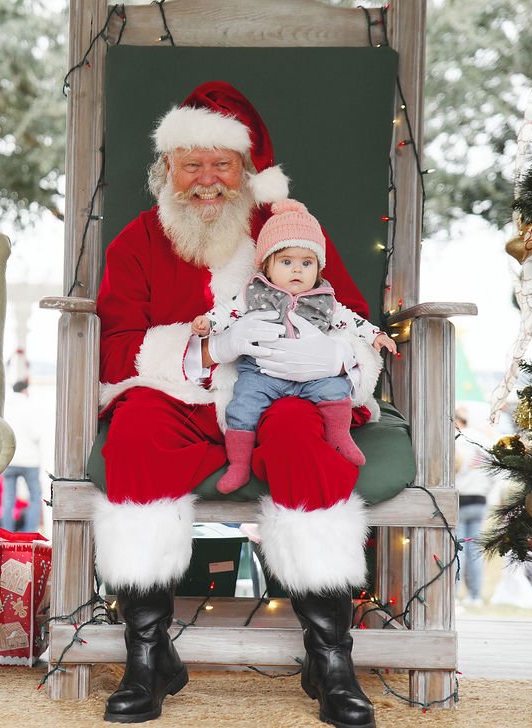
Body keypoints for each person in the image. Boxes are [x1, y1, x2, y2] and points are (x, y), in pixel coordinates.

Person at [95, 82, 383, 727]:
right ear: (165, 168)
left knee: (300, 434)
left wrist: (331, 357)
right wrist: (203, 348)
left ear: (248, 171)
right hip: (184, 394)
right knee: (136, 429)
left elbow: (353, 317)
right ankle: (148, 656)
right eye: (190, 162)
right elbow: (116, 350)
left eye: (221, 164)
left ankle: (329, 656)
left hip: (285, 390)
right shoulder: (137, 241)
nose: (206, 180)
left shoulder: (290, 231)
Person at [191, 199, 396, 493]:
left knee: (336, 391)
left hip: (314, 372)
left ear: (319, 267)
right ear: (268, 266)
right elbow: (227, 311)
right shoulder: (254, 293)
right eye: (286, 262)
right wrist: (209, 324)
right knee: (242, 405)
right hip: (263, 372)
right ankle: (239, 464)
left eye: (307, 263)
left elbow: (350, 320)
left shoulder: (325, 299)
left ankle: (341, 439)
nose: (297, 270)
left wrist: (375, 335)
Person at [453, 406, 494, 607]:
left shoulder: (457, 440)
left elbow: (454, 469)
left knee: (457, 548)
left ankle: (453, 595)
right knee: (475, 549)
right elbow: (495, 472)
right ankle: (475, 596)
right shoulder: (484, 440)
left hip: (461, 499)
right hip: (480, 500)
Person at [0, 379, 44, 532]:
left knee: (8, 498)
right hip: (30, 461)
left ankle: (6, 531)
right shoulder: (30, 406)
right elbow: (36, 433)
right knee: (35, 497)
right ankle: (29, 532)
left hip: (9, 459)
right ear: (25, 390)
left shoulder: (6, 407)